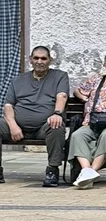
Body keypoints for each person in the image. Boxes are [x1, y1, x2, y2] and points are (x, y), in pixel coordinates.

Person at [0, 46, 69, 187]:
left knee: (56, 126)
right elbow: (8, 106)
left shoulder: (60, 76)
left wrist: (57, 114)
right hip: (17, 127)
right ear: (30, 60)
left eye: (43, 58)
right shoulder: (18, 80)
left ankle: (52, 170)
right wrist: (13, 125)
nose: (39, 61)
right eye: (36, 58)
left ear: (50, 60)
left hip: (43, 128)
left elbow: (62, 96)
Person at [68, 51, 106, 189]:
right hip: (93, 122)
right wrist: (83, 98)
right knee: (77, 135)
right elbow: (78, 90)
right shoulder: (96, 80)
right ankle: (87, 170)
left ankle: (91, 171)